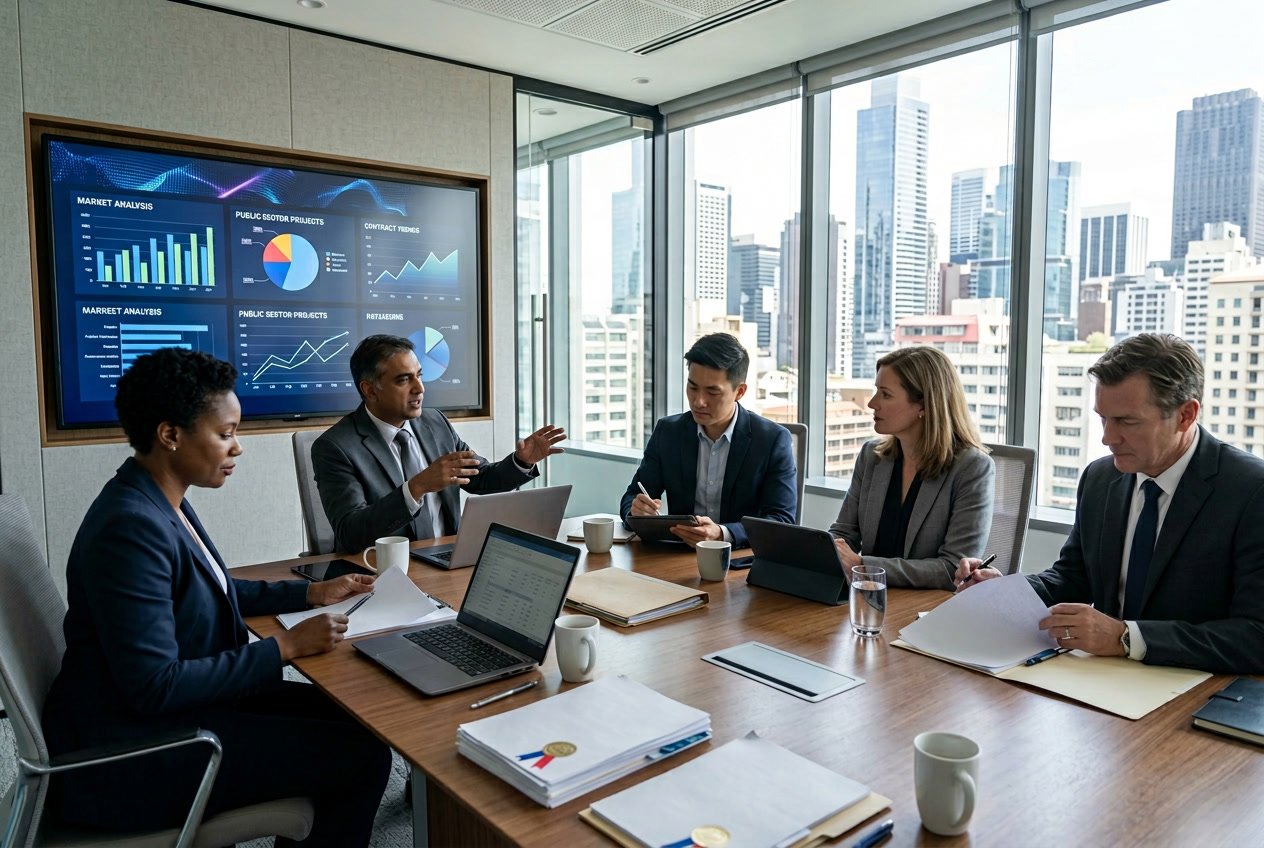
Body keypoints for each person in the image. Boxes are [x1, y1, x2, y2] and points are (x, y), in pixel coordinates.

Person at [42, 348, 390, 846]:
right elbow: (155, 686)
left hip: (173, 712)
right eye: (225, 434)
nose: (238, 447)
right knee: (360, 756)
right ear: (170, 435)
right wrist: (285, 649)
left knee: (357, 719)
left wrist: (311, 592)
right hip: (136, 751)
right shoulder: (130, 529)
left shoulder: (158, 499)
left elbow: (214, 589)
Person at [956, 333, 1264, 674]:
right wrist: (1008, 592)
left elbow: (1256, 634)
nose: (1107, 437)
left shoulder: (1251, 490)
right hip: (1100, 681)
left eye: (1126, 422)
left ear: (1185, 415)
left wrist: (1126, 637)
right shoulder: (1101, 478)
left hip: (1193, 686)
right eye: (1103, 417)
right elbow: (1072, 578)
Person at [313, 334, 566, 553]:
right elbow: (351, 533)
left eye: (419, 376)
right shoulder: (335, 447)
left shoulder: (435, 422)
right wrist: (417, 487)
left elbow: (481, 478)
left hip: (448, 558)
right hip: (383, 572)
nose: (419, 388)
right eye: (403, 380)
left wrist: (522, 462)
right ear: (369, 390)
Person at [829, 346, 994, 590]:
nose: (873, 403)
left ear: (924, 405)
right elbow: (845, 534)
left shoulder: (972, 468)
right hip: (868, 598)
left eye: (885, 394)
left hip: (926, 610)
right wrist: (821, 549)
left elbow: (952, 567)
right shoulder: (872, 456)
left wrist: (864, 565)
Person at [619, 332, 797, 548]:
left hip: (739, 562)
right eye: (693, 387)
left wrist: (722, 534)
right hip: (676, 557)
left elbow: (782, 521)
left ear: (739, 391)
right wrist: (636, 510)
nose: (698, 401)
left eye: (712, 392)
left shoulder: (772, 440)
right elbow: (633, 495)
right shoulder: (669, 432)